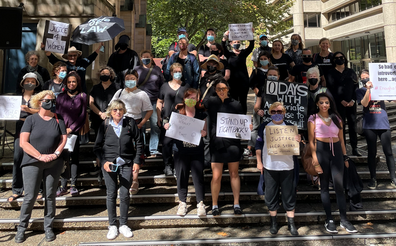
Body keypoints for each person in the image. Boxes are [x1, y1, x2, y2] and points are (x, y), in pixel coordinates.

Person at [15, 90, 67, 243]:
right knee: (30, 196)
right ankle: (22, 228)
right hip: (32, 162)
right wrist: (39, 156)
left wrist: (56, 154)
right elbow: (23, 142)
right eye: (47, 100)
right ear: (39, 102)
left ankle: (48, 227)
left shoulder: (58, 118)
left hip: (54, 162)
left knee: (50, 196)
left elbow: (63, 139)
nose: (50, 102)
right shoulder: (31, 119)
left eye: (52, 100)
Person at [308, 92, 357, 234]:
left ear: (330, 104)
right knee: (324, 186)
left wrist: (345, 156)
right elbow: (311, 141)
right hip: (321, 152)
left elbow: (342, 140)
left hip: (336, 153)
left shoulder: (337, 118)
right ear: (317, 103)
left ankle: (344, 219)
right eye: (321, 102)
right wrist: (314, 158)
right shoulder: (313, 119)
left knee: (339, 186)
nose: (324, 105)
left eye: (327, 102)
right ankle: (329, 219)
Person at [93, 100, 143, 240]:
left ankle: (123, 224)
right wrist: (103, 161)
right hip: (109, 163)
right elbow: (97, 147)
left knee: (125, 193)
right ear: (110, 111)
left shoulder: (130, 123)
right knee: (111, 193)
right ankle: (112, 224)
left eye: (120, 109)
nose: (118, 112)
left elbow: (139, 142)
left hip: (126, 162)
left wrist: (137, 161)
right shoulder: (105, 125)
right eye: (115, 110)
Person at [256, 102, 300, 236]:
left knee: (289, 195)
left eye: (279, 111)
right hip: (270, 166)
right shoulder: (264, 127)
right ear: (270, 113)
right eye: (273, 112)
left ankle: (291, 223)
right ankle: (273, 222)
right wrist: (259, 162)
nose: (276, 114)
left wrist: (298, 140)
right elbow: (258, 145)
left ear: (284, 113)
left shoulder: (291, 128)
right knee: (271, 195)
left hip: (288, 166)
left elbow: (297, 148)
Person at [203, 79, 243, 216]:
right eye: (218, 88)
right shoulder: (211, 102)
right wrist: (208, 88)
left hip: (233, 144)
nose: (221, 91)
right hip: (216, 143)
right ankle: (214, 205)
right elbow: (200, 103)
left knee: (234, 174)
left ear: (228, 89)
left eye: (224, 88)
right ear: (215, 90)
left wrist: (247, 128)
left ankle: (236, 203)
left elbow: (242, 123)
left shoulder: (236, 104)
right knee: (216, 176)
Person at [164, 89, 207, 216]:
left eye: (194, 98)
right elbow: (169, 125)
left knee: (198, 177)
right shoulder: (177, 113)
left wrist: (203, 133)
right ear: (184, 99)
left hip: (196, 151)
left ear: (198, 100)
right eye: (189, 97)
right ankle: (182, 203)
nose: (191, 100)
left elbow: (205, 131)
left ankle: (200, 203)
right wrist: (167, 126)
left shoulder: (201, 114)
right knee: (181, 177)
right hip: (180, 151)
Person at [110, 69, 153, 194]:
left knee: (136, 153)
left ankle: (135, 180)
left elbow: (149, 110)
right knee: (121, 152)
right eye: (127, 79)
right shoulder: (119, 93)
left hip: (135, 124)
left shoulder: (142, 94)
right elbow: (111, 106)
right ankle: (123, 180)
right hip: (120, 124)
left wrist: (141, 123)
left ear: (137, 79)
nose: (130, 81)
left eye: (132, 79)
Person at [356, 69, 396, 189]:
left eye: (367, 76)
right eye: (363, 78)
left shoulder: (380, 88)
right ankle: (373, 178)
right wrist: (368, 89)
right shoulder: (360, 90)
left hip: (383, 123)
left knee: (388, 152)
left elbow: (392, 98)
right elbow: (364, 103)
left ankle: (393, 177)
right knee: (371, 152)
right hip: (369, 125)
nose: (365, 79)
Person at [8, 73, 40, 203]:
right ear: (23, 82)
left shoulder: (38, 98)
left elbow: (42, 111)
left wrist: (28, 110)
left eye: (33, 81)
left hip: (35, 128)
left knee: (36, 158)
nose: (30, 83)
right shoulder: (16, 98)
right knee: (18, 158)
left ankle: (37, 190)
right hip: (20, 128)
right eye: (28, 81)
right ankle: (17, 189)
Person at [55, 72, 88, 196]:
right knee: (64, 158)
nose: (71, 84)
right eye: (69, 82)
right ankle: (63, 185)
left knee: (74, 158)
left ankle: (73, 184)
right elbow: (57, 114)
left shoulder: (82, 96)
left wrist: (72, 128)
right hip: (62, 132)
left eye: (73, 81)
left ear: (77, 82)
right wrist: (63, 129)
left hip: (74, 132)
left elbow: (82, 115)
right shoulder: (60, 97)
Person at [157, 63, 190, 176]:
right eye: (175, 71)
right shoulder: (164, 86)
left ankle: (178, 165)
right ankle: (167, 165)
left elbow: (190, 102)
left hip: (181, 119)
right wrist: (158, 116)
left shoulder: (186, 86)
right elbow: (159, 101)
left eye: (179, 71)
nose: (177, 74)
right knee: (166, 143)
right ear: (171, 73)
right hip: (167, 118)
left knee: (179, 143)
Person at [326, 51, 360, 156]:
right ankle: (342, 148)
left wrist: (353, 100)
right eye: (336, 58)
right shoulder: (331, 73)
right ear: (333, 60)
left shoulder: (351, 72)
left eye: (341, 57)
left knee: (352, 125)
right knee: (340, 127)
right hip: (338, 104)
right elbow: (330, 89)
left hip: (351, 103)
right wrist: (341, 100)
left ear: (344, 58)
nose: (339, 59)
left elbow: (356, 86)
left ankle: (355, 148)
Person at [134, 50, 164, 158]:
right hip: (140, 101)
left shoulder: (157, 70)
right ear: (141, 58)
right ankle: (141, 148)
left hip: (154, 101)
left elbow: (162, 85)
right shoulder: (136, 70)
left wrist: (162, 100)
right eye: (143, 57)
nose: (146, 58)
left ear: (151, 57)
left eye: (148, 56)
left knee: (155, 125)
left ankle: (153, 149)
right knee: (140, 125)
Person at [89, 66, 119, 175]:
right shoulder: (95, 88)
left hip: (112, 119)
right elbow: (91, 103)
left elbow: (119, 103)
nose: (104, 75)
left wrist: (109, 113)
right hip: (98, 119)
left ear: (111, 75)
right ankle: (99, 165)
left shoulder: (117, 88)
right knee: (99, 143)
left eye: (106, 73)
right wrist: (100, 113)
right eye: (102, 73)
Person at [222, 29, 255, 114]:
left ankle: (243, 119)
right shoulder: (229, 54)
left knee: (243, 101)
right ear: (231, 43)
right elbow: (222, 46)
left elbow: (251, 46)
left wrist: (250, 34)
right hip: (232, 82)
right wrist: (225, 36)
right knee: (233, 101)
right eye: (235, 42)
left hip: (243, 83)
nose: (237, 43)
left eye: (238, 42)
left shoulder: (243, 53)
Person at [247, 51, 271, 157]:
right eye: (261, 58)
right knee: (256, 124)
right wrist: (256, 90)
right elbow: (250, 83)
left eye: (265, 58)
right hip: (260, 97)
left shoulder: (272, 70)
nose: (263, 60)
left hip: (272, 99)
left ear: (269, 59)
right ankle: (250, 146)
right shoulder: (256, 71)